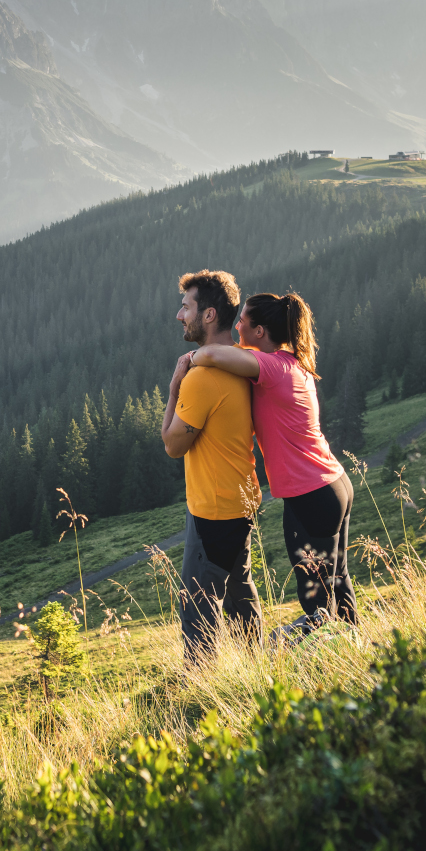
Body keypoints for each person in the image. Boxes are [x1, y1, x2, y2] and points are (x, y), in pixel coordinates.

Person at [188, 290, 357, 638]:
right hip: (334, 484)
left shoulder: (271, 367)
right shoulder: (295, 363)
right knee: (337, 581)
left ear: (261, 331)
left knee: (315, 596)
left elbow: (210, 354)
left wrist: (189, 361)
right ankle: (355, 648)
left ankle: (328, 663)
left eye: (244, 323)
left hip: (309, 496)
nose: (237, 329)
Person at [162, 269, 260, 658]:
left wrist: (174, 387)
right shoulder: (245, 362)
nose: (178, 315)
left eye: (186, 307)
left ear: (209, 315)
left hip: (212, 510)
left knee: (197, 608)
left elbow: (172, 445)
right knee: (239, 592)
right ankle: (257, 670)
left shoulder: (200, 378)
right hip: (243, 499)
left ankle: (200, 687)